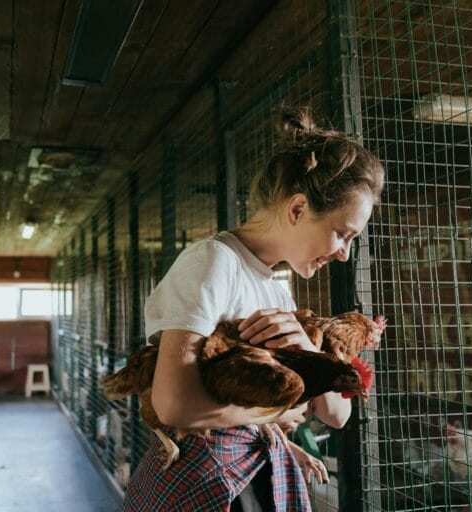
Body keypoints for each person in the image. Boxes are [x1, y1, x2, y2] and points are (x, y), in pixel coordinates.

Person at [122, 107, 386, 511]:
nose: (344, 254)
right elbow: (173, 404)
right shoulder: (213, 263)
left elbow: (337, 416)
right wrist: (275, 410)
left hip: (253, 474)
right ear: (297, 209)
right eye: (342, 234)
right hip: (206, 477)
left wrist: (310, 353)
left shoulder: (278, 294)